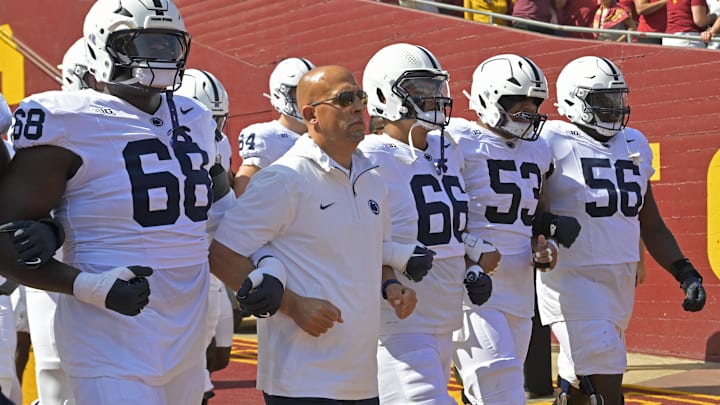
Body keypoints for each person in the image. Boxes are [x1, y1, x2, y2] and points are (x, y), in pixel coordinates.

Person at [0, 0, 222, 403]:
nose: (159, 57)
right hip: (108, 333)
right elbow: (6, 243)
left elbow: (220, 213)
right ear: (102, 48)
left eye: (168, 45)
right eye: (143, 44)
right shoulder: (67, 117)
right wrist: (88, 285)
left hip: (187, 327)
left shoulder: (194, 116)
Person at [209, 65, 417, 404]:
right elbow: (221, 255)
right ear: (311, 115)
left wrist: (391, 285)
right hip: (301, 382)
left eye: (360, 98)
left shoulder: (372, 181)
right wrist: (292, 305)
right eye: (344, 99)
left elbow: (374, 254)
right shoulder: (284, 179)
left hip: (362, 379)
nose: (357, 108)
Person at [539, 56, 707, 405]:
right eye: (602, 100)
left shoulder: (634, 142)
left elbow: (650, 221)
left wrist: (684, 270)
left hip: (618, 278)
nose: (614, 108)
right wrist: (546, 232)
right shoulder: (548, 139)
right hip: (571, 277)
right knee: (606, 378)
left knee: (580, 380)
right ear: (573, 99)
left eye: (617, 99)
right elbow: (528, 207)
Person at [360, 43, 498, 405]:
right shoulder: (368, 156)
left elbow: (443, 228)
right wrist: (395, 260)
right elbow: (353, 236)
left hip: (444, 317)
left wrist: (472, 257)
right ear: (384, 94)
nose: (436, 98)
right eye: (421, 90)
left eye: (437, 88)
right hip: (396, 322)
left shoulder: (447, 149)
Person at [447, 54, 569, 405]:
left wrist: (546, 246)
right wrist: (470, 245)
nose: (529, 110)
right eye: (518, 102)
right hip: (471, 283)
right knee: (500, 392)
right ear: (489, 98)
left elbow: (539, 216)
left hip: (519, 286)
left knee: (497, 390)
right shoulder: (456, 139)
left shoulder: (539, 148)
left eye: (534, 102)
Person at [175, 68, 236, 405]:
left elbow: (226, 207)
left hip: (208, 261)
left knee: (208, 359)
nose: (210, 128)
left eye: (216, 120)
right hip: (172, 264)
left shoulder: (219, 144)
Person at [233, 57, 315, 197]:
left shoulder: (323, 133)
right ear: (279, 94)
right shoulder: (266, 136)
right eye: (300, 93)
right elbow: (242, 196)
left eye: (313, 93)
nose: (308, 100)